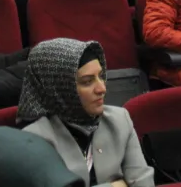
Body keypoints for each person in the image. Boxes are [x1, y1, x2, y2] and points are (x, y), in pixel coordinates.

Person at [17, 39, 154, 187]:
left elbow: (143, 183)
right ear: (59, 89)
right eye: (87, 81)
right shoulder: (35, 139)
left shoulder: (119, 120)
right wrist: (115, 186)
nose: (102, 89)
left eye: (101, 76)